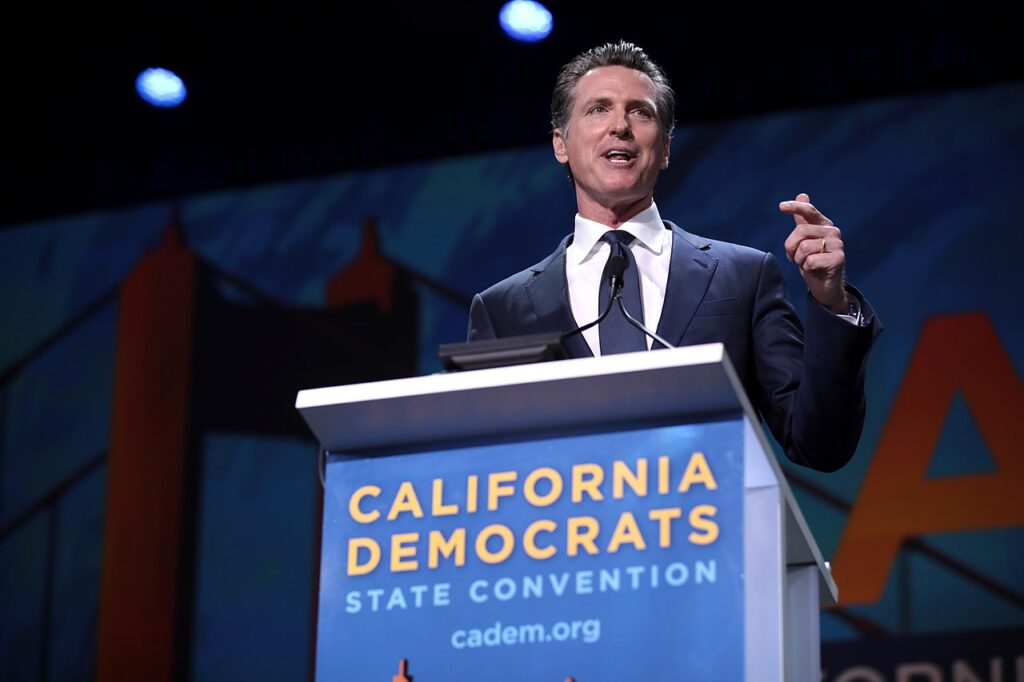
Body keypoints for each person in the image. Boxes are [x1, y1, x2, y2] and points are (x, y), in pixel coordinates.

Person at [467, 41, 881, 472]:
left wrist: (832, 303)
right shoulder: (503, 310)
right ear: (561, 144)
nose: (620, 126)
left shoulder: (742, 277)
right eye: (598, 109)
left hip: (709, 531)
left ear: (664, 149)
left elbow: (819, 444)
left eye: (640, 112)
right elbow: (478, 467)